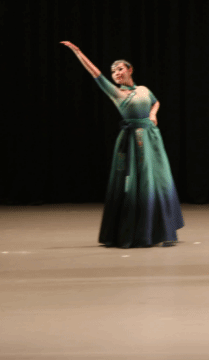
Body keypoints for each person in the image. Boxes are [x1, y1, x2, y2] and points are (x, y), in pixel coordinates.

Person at [61, 41, 184, 248]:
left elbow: (155, 102)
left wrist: (153, 115)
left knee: (159, 181)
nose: (116, 73)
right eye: (113, 71)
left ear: (129, 70)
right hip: (132, 142)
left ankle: (162, 228)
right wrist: (78, 52)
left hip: (152, 139)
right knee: (135, 184)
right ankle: (136, 231)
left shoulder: (143, 89)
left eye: (119, 69)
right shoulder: (116, 93)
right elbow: (96, 73)